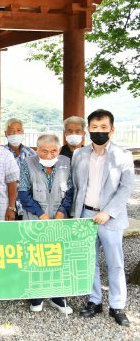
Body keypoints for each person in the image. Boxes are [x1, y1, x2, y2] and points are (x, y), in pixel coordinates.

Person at [72, 109, 134, 327]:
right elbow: (76, 186)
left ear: (112, 130)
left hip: (110, 216)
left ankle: (117, 306)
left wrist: (108, 211)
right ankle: (94, 300)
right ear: (88, 129)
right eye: (95, 128)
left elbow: (126, 188)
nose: (99, 131)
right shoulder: (79, 155)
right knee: (89, 261)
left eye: (103, 128)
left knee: (115, 263)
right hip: (85, 215)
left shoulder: (123, 155)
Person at [18, 134, 74, 314]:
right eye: (44, 151)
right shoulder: (28, 163)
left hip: (58, 218)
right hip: (35, 217)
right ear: (36, 149)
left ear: (58, 150)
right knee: (36, 256)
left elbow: (71, 190)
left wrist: (61, 212)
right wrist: (40, 214)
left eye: (53, 151)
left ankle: (58, 296)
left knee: (58, 256)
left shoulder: (66, 162)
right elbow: (23, 193)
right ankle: (36, 296)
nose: (49, 155)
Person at [3, 118, 36, 220]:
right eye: (12, 131)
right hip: (6, 205)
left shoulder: (31, 153)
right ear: (5, 133)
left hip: (27, 205)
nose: (15, 133)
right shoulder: (1, 152)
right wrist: (11, 207)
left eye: (18, 130)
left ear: (23, 133)